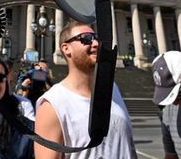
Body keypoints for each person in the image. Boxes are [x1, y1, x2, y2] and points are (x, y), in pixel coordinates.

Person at [34, 21, 136, 159]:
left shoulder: (112, 88)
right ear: (66, 48)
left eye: (96, 38)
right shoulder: (52, 104)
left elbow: (127, 147)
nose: (95, 44)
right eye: (86, 39)